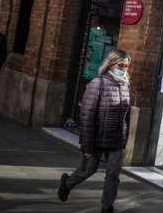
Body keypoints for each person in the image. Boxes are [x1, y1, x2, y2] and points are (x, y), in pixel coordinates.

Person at [58, 49, 132, 213]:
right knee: (88, 169)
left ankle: (107, 207)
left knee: (113, 175)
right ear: (111, 64)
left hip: (116, 140)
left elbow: (127, 116)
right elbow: (86, 116)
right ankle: (67, 183)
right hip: (97, 138)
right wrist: (87, 145)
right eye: (121, 65)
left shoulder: (126, 85)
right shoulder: (97, 84)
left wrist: (124, 139)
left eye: (127, 66)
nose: (125, 69)